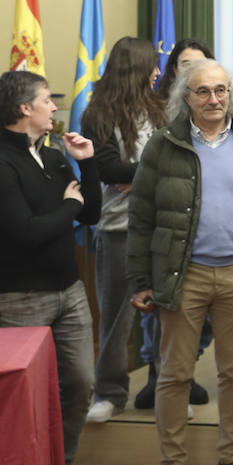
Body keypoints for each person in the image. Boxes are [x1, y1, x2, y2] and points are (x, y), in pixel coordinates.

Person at [126, 58, 233, 465]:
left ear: (230, 95)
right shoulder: (163, 146)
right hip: (184, 274)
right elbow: (141, 216)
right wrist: (141, 279)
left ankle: (231, 459)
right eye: (203, 92)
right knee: (174, 374)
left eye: (220, 90)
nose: (213, 99)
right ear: (186, 97)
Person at [0, 70, 102, 465]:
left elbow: (91, 214)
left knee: (81, 383)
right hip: (19, 300)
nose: (54, 107)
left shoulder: (52, 155)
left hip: (69, 291)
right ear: (24, 108)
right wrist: (69, 204)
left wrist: (87, 163)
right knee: (23, 399)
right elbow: (27, 233)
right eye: (47, 100)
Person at [81, 37, 168, 424]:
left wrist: (141, 177)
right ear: (135, 69)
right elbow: (106, 169)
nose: (158, 72)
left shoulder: (162, 108)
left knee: (168, 312)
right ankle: (110, 393)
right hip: (118, 227)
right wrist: (149, 173)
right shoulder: (97, 114)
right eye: (152, 65)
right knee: (117, 313)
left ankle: (167, 386)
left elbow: (178, 160)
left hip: (165, 225)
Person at [136, 38, 216, 410]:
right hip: (168, 238)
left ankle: (185, 372)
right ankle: (159, 376)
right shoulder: (160, 114)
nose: (192, 71)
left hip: (213, 246)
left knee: (203, 324)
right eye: (185, 65)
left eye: (199, 64)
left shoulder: (227, 125)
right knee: (164, 317)